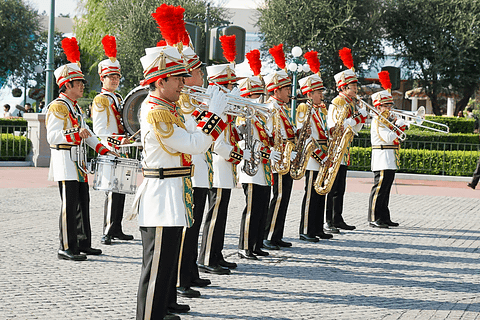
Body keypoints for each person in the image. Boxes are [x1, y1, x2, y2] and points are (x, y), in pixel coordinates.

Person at [132, 42, 228, 320]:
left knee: (166, 265)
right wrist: (216, 116)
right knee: (156, 269)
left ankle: (160, 311)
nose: (183, 83)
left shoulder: (168, 108)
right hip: (162, 195)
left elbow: (194, 137)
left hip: (173, 193)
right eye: (178, 78)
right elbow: (195, 144)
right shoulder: (157, 112)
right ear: (160, 81)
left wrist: (208, 111)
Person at [46, 37, 114, 261]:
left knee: (83, 203)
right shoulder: (58, 106)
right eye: (79, 83)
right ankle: (66, 246)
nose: (83, 86)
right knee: (69, 205)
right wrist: (75, 135)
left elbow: (88, 132)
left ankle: (83, 242)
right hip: (66, 162)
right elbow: (53, 136)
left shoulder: (74, 107)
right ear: (67, 85)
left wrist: (103, 149)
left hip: (79, 163)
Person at [197, 62, 245, 275]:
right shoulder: (212, 108)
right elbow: (215, 143)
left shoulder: (225, 110)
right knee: (215, 215)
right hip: (217, 167)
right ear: (218, 87)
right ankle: (207, 257)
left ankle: (216, 254)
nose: (232, 88)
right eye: (228, 84)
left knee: (221, 214)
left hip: (224, 169)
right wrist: (236, 155)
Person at [175, 44, 212, 299]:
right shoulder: (185, 101)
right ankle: (181, 277)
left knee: (195, 226)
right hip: (190, 171)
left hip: (200, 170)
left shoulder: (195, 98)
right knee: (187, 228)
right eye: (200, 72)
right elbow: (194, 131)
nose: (203, 76)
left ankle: (190, 271)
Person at [91, 35, 134, 246]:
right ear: (103, 78)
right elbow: (100, 129)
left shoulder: (117, 98)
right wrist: (117, 142)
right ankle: (108, 230)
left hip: (122, 147)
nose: (115, 80)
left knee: (121, 189)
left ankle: (117, 227)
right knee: (111, 190)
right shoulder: (101, 99)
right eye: (111, 77)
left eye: (117, 77)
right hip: (111, 148)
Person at [324, 47, 368, 233]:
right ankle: (329, 220)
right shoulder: (337, 103)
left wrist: (361, 117)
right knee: (333, 187)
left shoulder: (350, 104)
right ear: (344, 87)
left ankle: (338, 217)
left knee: (340, 187)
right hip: (335, 148)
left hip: (344, 148)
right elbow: (336, 127)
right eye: (353, 86)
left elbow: (354, 129)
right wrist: (358, 118)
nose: (356, 89)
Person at [236, 75, 277, 259]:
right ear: (246, 96)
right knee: (252, 209)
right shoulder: (242, 116)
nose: (259, 99)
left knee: (261, 209)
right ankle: (244, 246)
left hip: (263, 169)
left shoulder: (259, 117)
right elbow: (246, 143)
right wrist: (266, 152)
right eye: (255, 95)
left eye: (260, 95)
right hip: (250, 170)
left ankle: (257, 244)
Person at [296, 58, 333, 242]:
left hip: (323, 155)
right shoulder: (304, 107)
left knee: (320, 193)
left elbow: (322, 131)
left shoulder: (320, 109)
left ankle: (317, 228)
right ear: (310, 93)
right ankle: (305, 229)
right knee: (311, 194)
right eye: (318, 91)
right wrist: (320, 155)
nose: (321, 94)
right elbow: (305, 135)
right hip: (313, 157)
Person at [263, 69, 296, 250]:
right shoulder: (270, 108)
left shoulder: (281, 108)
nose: (289, 93)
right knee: (279, 197)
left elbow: (285, 134)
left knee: (284, 198)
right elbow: (270, 137)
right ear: (276, 90)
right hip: (278, 161)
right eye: (286, 89)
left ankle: (277, 235)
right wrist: (284, 153)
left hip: (286, 159)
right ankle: (269, 235)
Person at [367, 71, 406, 228]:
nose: (389, 108)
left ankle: (384, 216)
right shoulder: (378, 121)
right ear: (379, 106)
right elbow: (388, 137)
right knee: (379, 190)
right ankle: (373, 218)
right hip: (382, 157)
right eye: (386, 105)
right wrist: (398, 128)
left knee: (386, 190)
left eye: (390, 105)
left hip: (389, 158)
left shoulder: (386, 121)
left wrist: (396, 126)